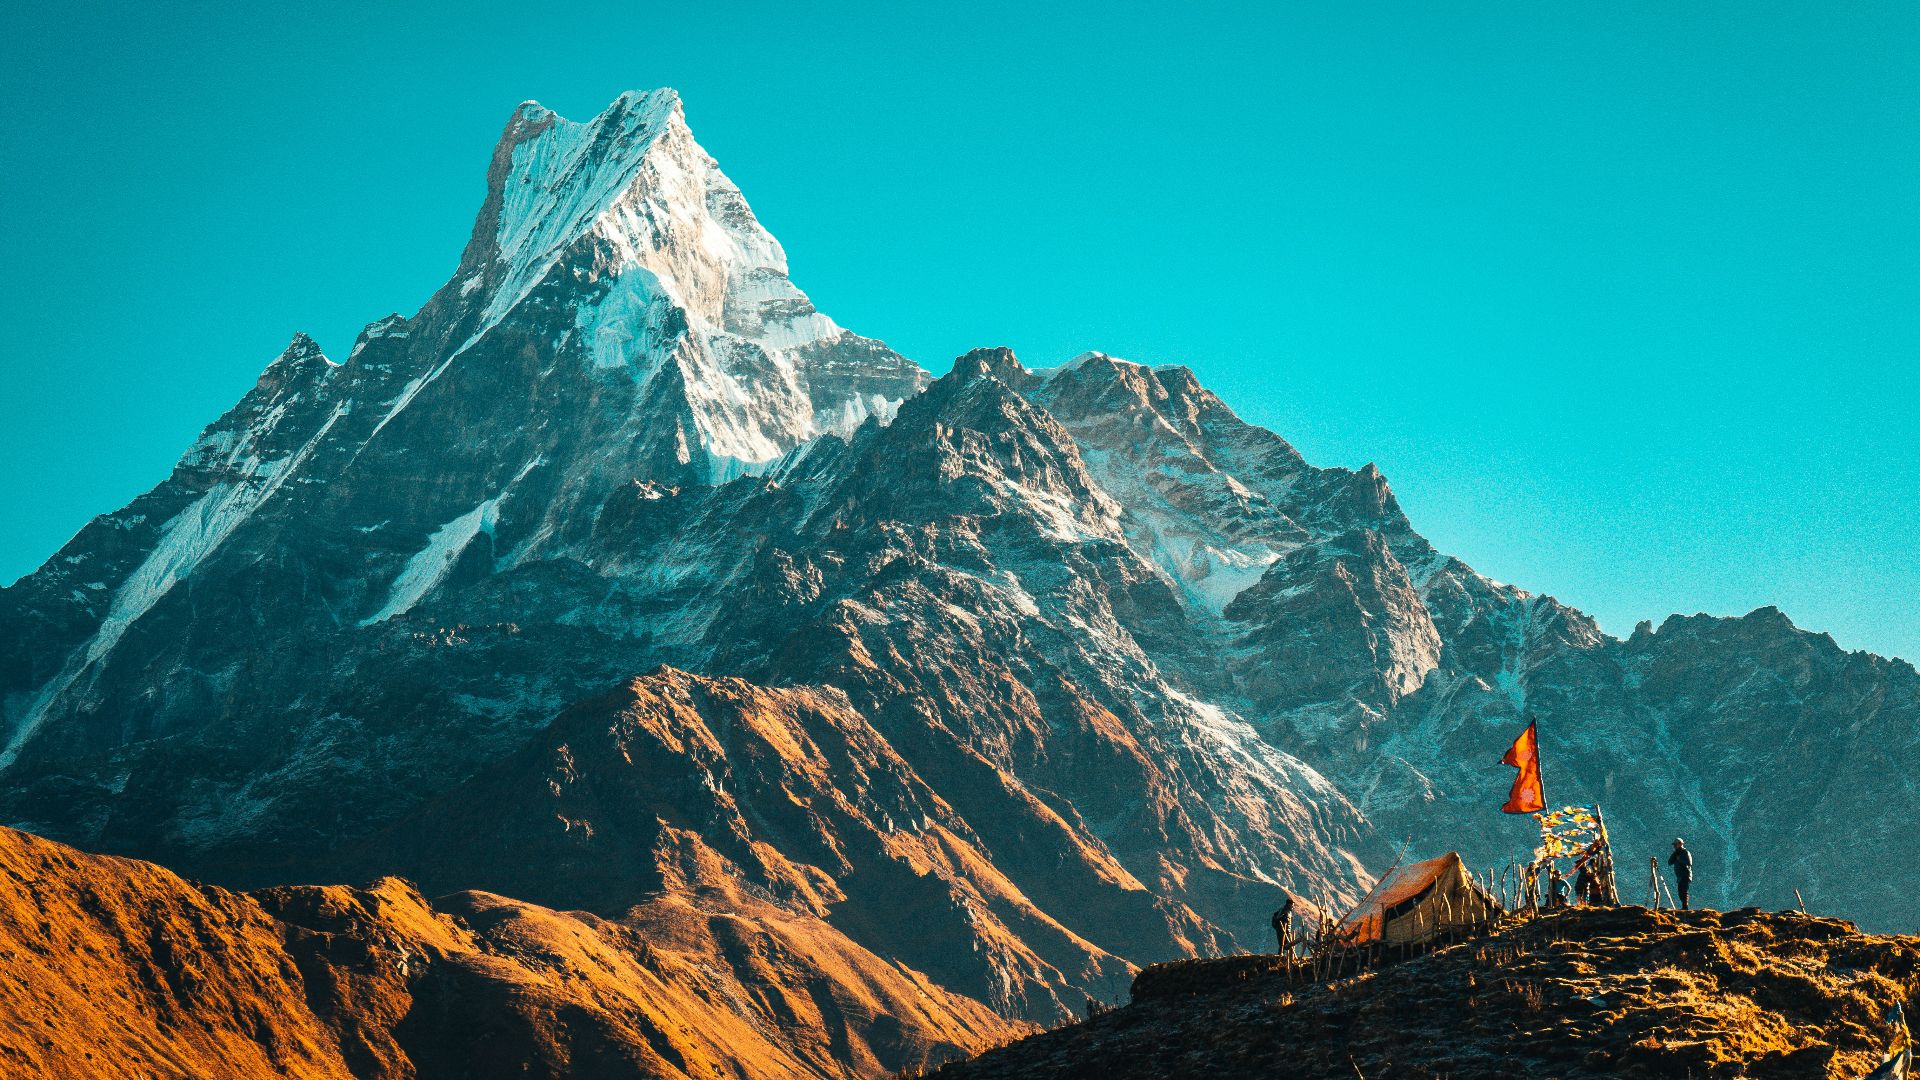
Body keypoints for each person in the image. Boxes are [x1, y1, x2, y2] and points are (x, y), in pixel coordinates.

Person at [1667, 838, 1693, 910]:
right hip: (1679, 876)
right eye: (1674, 845)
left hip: (1685, 875)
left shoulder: (1686, 852)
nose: (1674, 846)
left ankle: (1685, 908)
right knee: (1680, 892)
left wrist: (1679, 859)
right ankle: (1684, 907)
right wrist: (1674, 854)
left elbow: (1689, 863)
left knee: (1683, 891)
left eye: (1675, 844)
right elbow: (1669, 862)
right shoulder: (1676, 853)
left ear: (1680, 844)